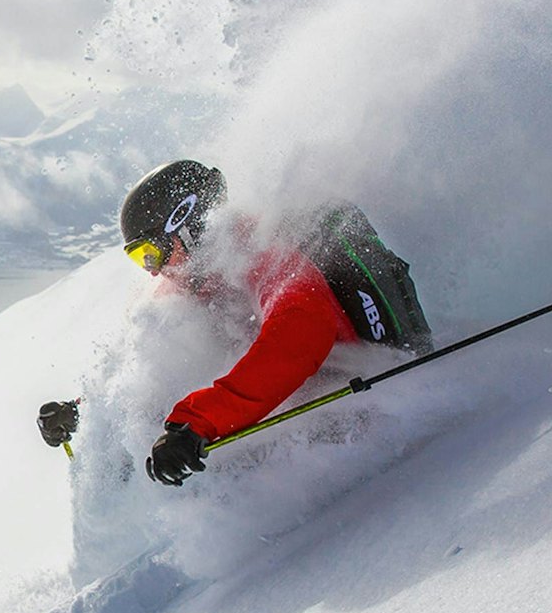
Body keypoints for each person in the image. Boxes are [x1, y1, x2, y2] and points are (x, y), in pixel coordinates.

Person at [38, 159, 431, 487]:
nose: (154, 271)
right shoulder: (195, 281)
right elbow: (152, 366)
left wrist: (200, 421)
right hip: (298, 399)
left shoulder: (262, 247)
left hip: (376, 405)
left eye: (152, 253)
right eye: (141, 259)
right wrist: (88, 412)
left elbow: (298, 336)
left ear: (187, 225)